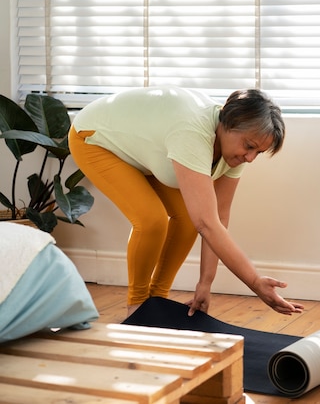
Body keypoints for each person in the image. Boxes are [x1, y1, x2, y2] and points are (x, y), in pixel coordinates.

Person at [69, 86, 304, 317]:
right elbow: (208, 223)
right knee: (151, 220)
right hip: (94, 138)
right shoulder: (193, 132)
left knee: (188, 219)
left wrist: (205, 282)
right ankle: (138, 306)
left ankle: (158, 298)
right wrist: (254, 281)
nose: (250, 158)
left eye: (258, 152)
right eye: (249, 147)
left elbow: (218, 218)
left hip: (144, 151)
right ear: (228, 123)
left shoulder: (235, 151)